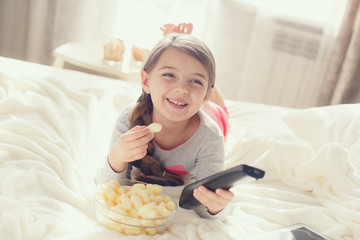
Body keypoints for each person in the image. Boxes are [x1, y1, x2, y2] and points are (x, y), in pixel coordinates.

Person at [96, 30, 233, 219]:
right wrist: (117, 157)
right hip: (195, 104)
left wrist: (216, 207)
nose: (182, 88)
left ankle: (213, 95)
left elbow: (206, 210)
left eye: (195, 81)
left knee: (222, 111)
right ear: (146, 81)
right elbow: (107, 186)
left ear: (206, 96)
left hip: (213, 115)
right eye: (169, 74)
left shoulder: (210, 137)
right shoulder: (129, 118)